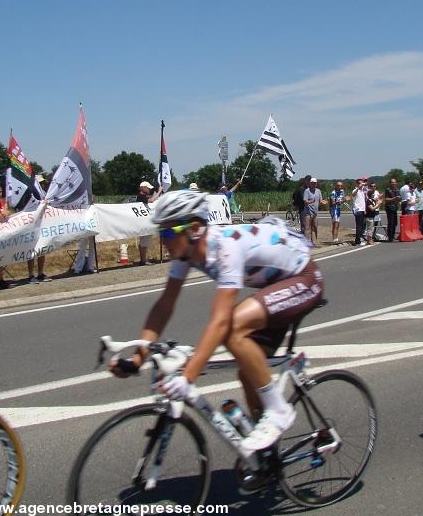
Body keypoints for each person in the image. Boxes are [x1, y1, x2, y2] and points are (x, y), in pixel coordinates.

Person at [109, 191, 324, 453]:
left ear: (194, 229)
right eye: (160, 232)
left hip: (304, 279)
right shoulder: (185, 253)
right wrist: (137, 358)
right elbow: (164, 305)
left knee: (232, 328)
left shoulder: (225, 248)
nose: (162, 240)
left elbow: (221, 321)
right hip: (275, 287)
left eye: (167, 232)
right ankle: (267, 458)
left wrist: (187, 377)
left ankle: (279, 411)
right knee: (249, 373)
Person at [136, 181, 163, 265]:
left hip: (143, 222)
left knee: (144, 241)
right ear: (143, 188)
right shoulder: (141, 196)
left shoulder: (142, 196)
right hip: (144, 223)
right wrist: (159, 191)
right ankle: (143, 260)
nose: (149, 190)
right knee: (144, 241)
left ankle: (143, 259)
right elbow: (151, 201)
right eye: (148, 188)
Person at [303, 178, 324, 246]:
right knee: (307, 227)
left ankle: (314, 242)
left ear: (316, 184)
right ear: (310, 183)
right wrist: (311, 201)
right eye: (312, 183)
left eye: (314, 183)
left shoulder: (318, 191)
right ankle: (307, 242)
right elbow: (305, 201)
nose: (313, 184)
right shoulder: (307, 191)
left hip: (315, 212)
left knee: (315, 227)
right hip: (308, 212)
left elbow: (320, 200)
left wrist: (323, 202)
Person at [384, 178, 401, 242]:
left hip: (395, 207)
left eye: (394, 182)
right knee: (390, 223)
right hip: (389, 208)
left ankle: (393, 236)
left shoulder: (397, 190)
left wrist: (399, 198)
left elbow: (399, 198)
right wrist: (394, 198)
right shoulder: (388, 190)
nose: (394, 183)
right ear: (390, 183)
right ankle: (390, 237)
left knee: (395, 223)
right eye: (392, 182)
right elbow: (386, 199)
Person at [350, 178, 366, 246]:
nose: (361, 184)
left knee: (362, 225)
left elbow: (362, 202)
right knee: (359, 225)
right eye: (359, 183)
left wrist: (364, 210)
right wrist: (358, 188)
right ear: (357, 184)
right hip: (357, 210)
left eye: (362, 183)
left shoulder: (362, 191)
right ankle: (357, 241)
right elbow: (353, 195)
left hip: (362, 210)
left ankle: (359, 238)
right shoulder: (355, 190)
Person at [364, 181, 380, 245]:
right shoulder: (368, 201)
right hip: (369, 217)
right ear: (371, 195)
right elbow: (372, 208)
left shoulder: (372, 200)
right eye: (372, 194)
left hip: (372, 216)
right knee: (369, 229)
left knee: (371, 228)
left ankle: (370, 239)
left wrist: (378, 203)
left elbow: (376, 205)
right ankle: (369, 240)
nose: (373, 195)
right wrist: (377, 204)